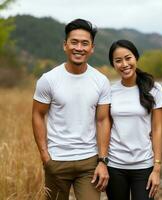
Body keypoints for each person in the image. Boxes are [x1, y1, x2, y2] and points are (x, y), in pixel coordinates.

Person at [32, 18, 111, 200]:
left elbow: (103, 120)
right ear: (65, 45)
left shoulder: (101, 81)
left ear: (92, 48)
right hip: (57, 160)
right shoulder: (49, 79)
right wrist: (45, 157)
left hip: (89, 161)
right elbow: (37, 114)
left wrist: (102, 161)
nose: (79, 48)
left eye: (85, 43)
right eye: (74, 42)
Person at [106, 39, 162, 200]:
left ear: (136, 58)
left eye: (128, 58)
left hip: (144, 165)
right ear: (113, 64)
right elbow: (105, 126)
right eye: (118, 61)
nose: (124, 64)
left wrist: (157, 168)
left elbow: (157, 129)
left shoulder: (154, 89)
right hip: (114, 165)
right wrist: (102, 161)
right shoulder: (109, 91)